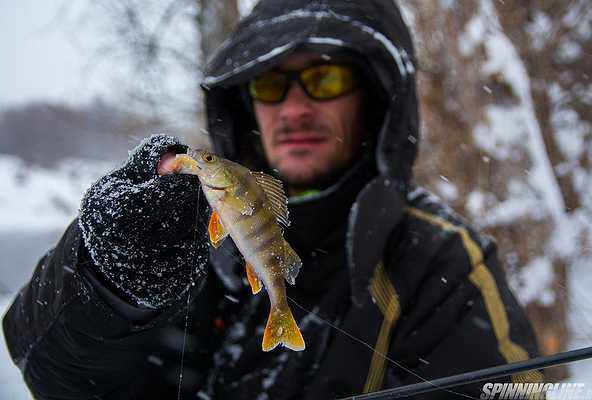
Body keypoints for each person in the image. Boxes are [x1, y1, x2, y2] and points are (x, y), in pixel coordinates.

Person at [3, 0, 542, 399]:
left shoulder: (442, 263)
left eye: (324, 77)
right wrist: (108, 281)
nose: (294, 106)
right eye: (269, 85)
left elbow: (511, 389)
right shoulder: (190, 230)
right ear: (245, 105)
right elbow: (56, 379)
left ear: (375, 98)